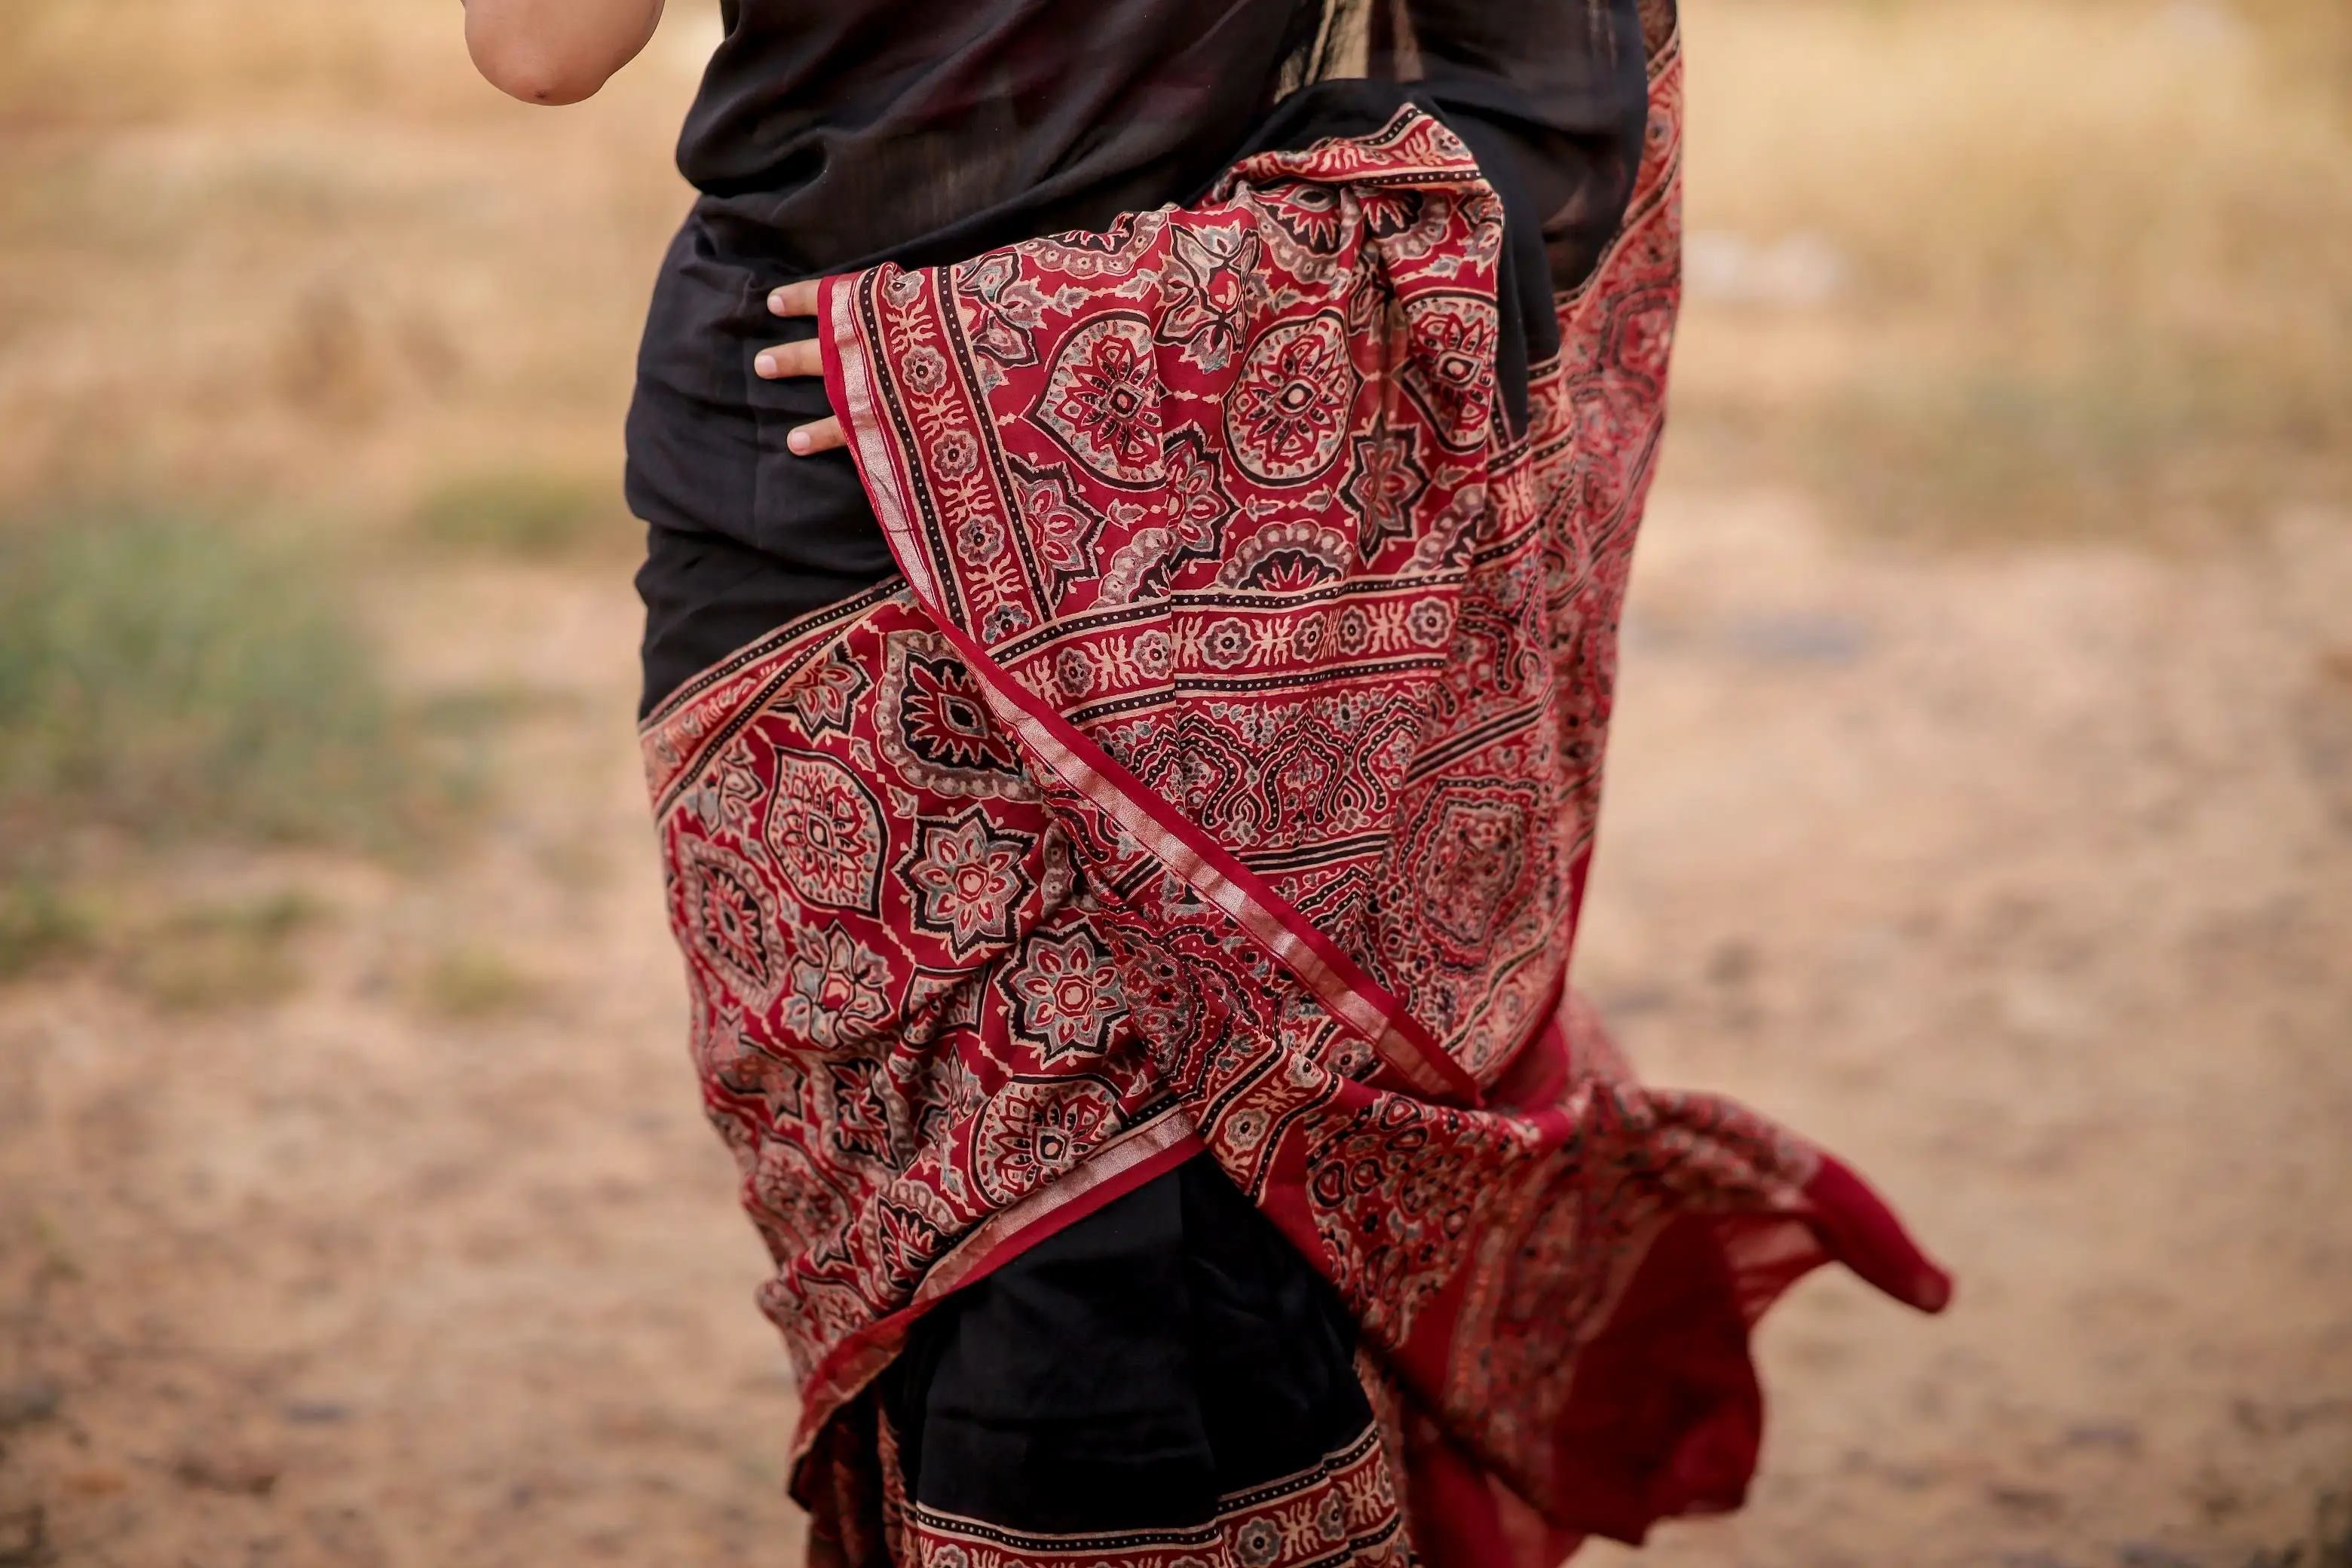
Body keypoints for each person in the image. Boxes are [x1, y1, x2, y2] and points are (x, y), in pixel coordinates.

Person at [462, 3, 1952, 1564]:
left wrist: (1066, 346)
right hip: (800, 509)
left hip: (1188, 513)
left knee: (1164, 1269)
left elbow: (1549, 132)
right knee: (956, 1259)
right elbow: (540, 49)